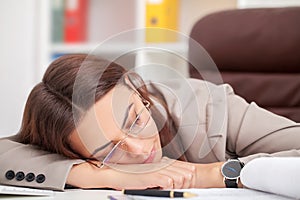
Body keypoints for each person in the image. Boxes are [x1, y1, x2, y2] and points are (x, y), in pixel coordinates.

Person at [0, 54, 299, 191]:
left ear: (139, 92)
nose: (141, 150)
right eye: (109, 150)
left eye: (135, 121)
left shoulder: (205, 106)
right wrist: (99, 176)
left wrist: (211, 174)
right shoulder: (78, 152)